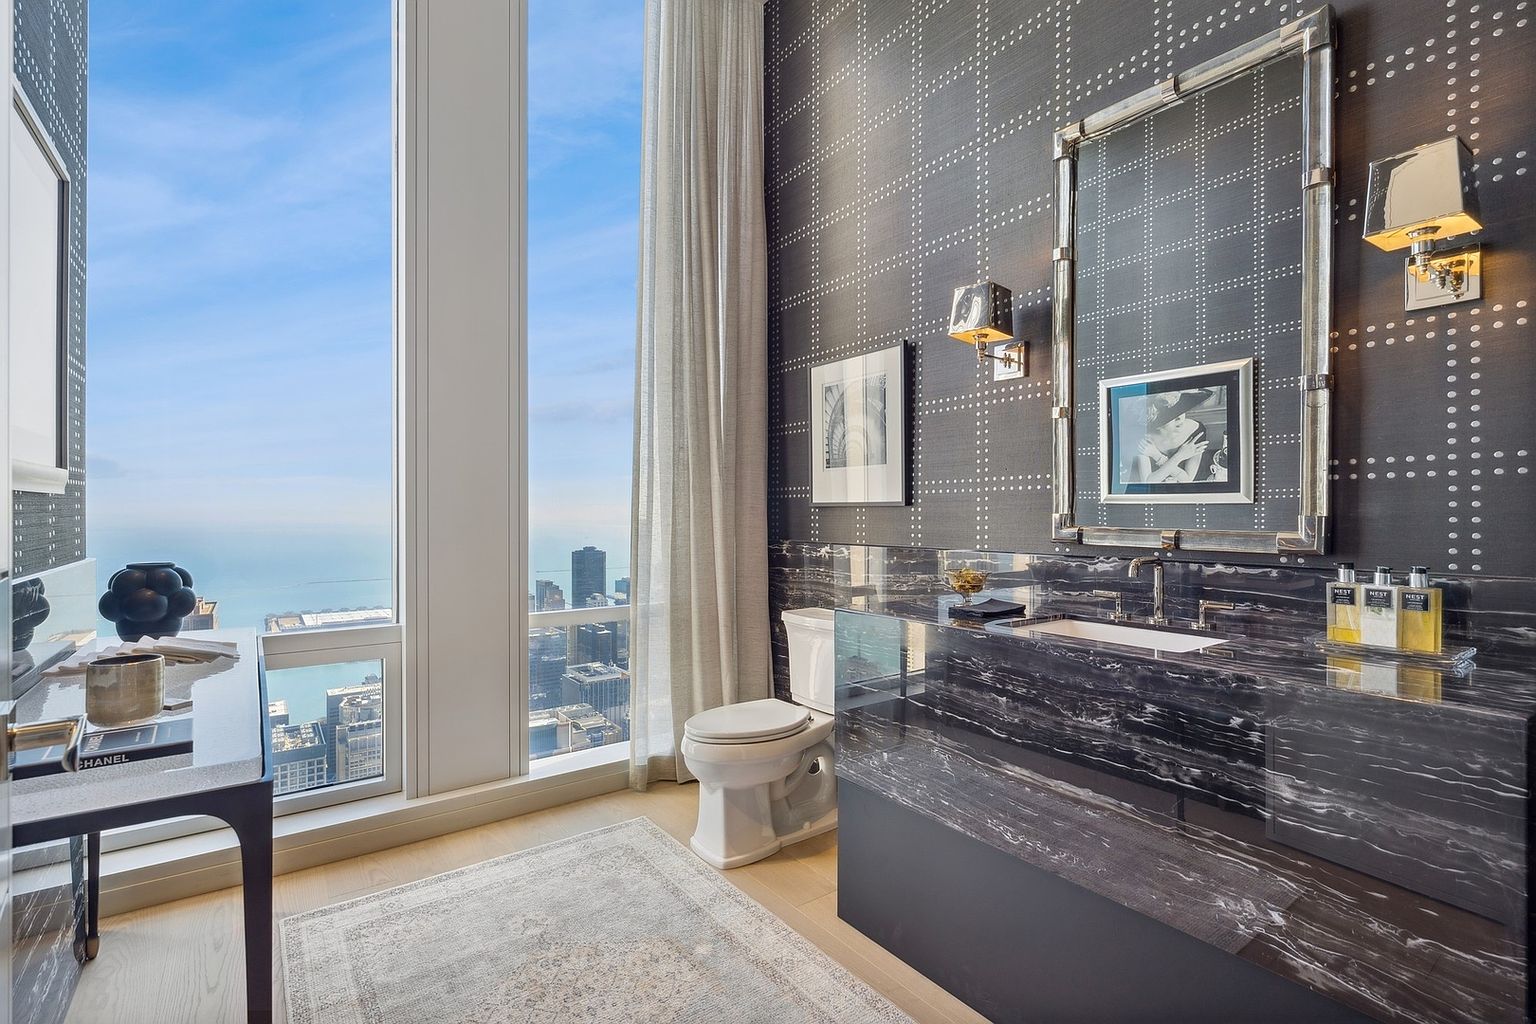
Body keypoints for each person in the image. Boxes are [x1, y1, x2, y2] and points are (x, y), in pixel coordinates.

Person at [1125, 390, 1214, 484]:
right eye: (1171, 416)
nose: (1179, 418)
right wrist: (1179, 456)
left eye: (1180, 410)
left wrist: (1157, 456)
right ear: (1157, 424)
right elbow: (1148, 482)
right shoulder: (1143, 439)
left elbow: (1187, 480)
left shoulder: (1196, 431)